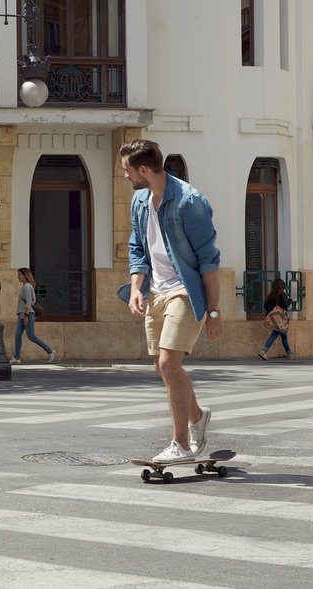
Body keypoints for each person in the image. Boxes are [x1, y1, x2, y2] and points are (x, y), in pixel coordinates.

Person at [121, 138, 222, 463]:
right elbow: (137, 248)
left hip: (185, 290)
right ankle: (197, 417)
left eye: (127, 170)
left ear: (143, 170)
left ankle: (181, 445)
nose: (125, 175)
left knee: (168, 364)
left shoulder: (189, 202)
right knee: (163, 366)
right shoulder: (140, 200)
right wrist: (136, 289)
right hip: (156, 292)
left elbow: (209, 259)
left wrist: (214, 311)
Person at [10, 267, 55, 364]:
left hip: (28, 314)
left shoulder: (27, 287)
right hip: (22, 315)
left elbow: (29, 303)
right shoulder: (24, 287)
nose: (18, 277)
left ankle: (50, 351)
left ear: (25, 275)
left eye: (19, 275)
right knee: (17, 335)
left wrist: (26, 315)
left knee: (31, 336)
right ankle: (17, 357)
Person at [259, 278, 294, 360]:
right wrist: (290, 300)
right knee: (275, 334)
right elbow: (285, 305)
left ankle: (289, 353)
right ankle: (264, 351)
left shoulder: (271, 295)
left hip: (273, 319)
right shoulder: (282, 294)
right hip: (280, 319)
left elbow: (265, 305)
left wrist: (272, 311)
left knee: (284, 335)